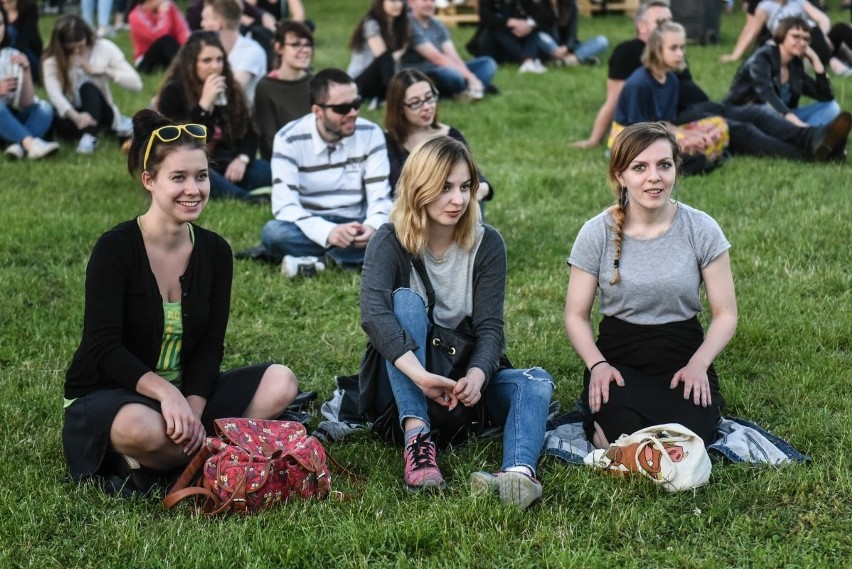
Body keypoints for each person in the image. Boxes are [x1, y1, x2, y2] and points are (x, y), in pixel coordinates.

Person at [62, 108, 299, 496]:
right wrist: (166, 394)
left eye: (202, 176)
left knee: (281, 382)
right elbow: (102, 348)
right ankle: (227, 446)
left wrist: (192, 406)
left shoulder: (216, 252)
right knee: (141, 429)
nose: (194, 189)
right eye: (179, 177)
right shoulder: (115, 248)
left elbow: (210, 345)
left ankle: (176, 455)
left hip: (186, 393)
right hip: (113, 394)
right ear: (149, 181)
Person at [359, 136, 554, 508]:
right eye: (445, 187)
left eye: (465, 187)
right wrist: (420, 376)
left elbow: (490, 328)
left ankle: (517, 474)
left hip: (460, 376)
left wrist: (478, 376)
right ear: (420, 187)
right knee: (405, 303)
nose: (458, 199)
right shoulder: (390, 239)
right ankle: (417, 438)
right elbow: (373, 315)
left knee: (536, 381)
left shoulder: (487, 243)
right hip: (403, 377)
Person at [564, 121, 737, 449]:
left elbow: (726, 312)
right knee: (623, 438)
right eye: (639, 167)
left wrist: (699, 364)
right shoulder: (596, 232)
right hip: (618, 361)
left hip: (683, 358)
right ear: (620, 175)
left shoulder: (701, 228)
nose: (654, 177)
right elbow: (575, 314)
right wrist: (597, 365)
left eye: (664, 165)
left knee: (686, 442)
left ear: (676, 169)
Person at [253, 69, 392, 271]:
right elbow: (285, 206)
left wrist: (371, 226)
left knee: (397, 228)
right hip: (309, 223)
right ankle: (350, 258)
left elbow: (379, 196)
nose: (353, 113)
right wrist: (328, 232)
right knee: (274, 233)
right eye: (343, 108)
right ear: (317, 111)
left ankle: (315, 261)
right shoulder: (289, 138)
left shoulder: (370, 133)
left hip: (357, 222)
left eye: (356, 104)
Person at [156, 31, 270, 201]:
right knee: (199, 175)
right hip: (193, 163)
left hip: (227, 161)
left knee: (267, 169)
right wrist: (204, 106)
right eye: (207, 61)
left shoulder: (230, 88)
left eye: (219, 59)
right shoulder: (173, 93)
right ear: (191, 64)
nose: (215, 66)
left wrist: (242, 159)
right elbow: (182, 142)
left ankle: (228, 187)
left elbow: (249, 133)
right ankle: (244, 198)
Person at [612, 22, 729, 175]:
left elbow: (667, 123)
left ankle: (698, 159)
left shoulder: (672, 80)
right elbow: (638, 131)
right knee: (683, 144)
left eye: (682, 47)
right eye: (673, 48)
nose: (680, 54)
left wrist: (688, 134)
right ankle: (701, 159)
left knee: (718, 124)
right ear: (657, 50)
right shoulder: (639, 84)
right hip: (635, 138)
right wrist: (683, 138)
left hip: (660, 131)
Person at [384, 69, 493, 207]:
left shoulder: (450, 134)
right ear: (399, 107)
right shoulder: (389, 140)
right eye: (415, 103)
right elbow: (399, 189)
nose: (427, 107)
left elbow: (475, 177)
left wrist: (479, 189)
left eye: (429, 98)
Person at [572, 0, 672, 148]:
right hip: (652, 126)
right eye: (661, 22)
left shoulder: (673, 52)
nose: (668, 27)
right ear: (642, 26)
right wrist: (593, 140)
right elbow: (614, 99)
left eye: (670, 21)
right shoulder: (629, 52)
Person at [43, 14, 141, 154]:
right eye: (71, 49)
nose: (77, 51)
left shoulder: (103, 48)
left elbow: (136, 84)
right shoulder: (52, 61)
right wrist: (76, 117)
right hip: (71, 114)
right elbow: (55, 95)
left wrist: (105, 71)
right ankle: (85, 133)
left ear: (87, 39)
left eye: (81, 46)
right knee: (49, 113)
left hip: (102, 112)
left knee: (87, 87)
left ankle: (89, 137)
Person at [724, 16, 842, 127]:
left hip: (783, 119)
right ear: (782, 36)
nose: (802, 43)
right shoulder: (761, 59)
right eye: (796, 37)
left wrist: (816, 61)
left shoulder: (795, 64)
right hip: (749, 116)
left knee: (831, 107)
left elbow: (825, 96)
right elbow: (768, 97)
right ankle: (806, 135)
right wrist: (798, 124)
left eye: (806, 39)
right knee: (767, 110)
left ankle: (808, 137)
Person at [720, 0, 852, 76]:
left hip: (816, 40)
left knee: (840, 28)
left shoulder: (799, 1)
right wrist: (735, 56)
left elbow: (823, 19)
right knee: (807, 30)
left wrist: (823, 37)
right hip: (795, 48)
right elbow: (751, 33)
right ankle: (834, 64)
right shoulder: (765, 7)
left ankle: (835, 57)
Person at [401, 0, 497, 100]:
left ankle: (467, 90)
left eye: (432, 1)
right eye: (425, 1)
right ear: (411, 2)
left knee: (487, 63)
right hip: (423, 73)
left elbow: (452, 55)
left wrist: (468, 74)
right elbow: (437, 58)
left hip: (442, 67)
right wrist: (470, 77)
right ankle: (474, 88)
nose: (429, 4)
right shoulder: (408, 25)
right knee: (451, 75)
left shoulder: (436, 24)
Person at [1, 2, 58, 159]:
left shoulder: (10, 55)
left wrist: (25, 72)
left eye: (0, 24)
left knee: (44, 109)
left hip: (6, 120)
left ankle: (17, 146)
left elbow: (26, 103)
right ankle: (31, 144)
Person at [253, 19, 313, 162]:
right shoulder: (266, 87)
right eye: (295, 44)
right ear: (279, 48)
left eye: (308, 45)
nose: (304, 50)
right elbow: (269, 140)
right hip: (282, 162)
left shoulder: (316, 83)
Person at [199, 0, 267, 106]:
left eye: (205, 19)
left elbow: (231, 90)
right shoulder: (206, 52)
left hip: (241, 119)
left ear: (218, 25)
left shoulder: (251, 52)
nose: (201, 24)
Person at [347, 0, 409, 104]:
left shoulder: (398, 26)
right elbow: (382, 58)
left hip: (380, 80)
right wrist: (402, 49)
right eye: (392, 1)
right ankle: (395, 97)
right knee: (385, 57)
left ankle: (389, 96)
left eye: (400, 1)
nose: (397, 4)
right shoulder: (371, 24)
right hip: (359, 82)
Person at [519, 0, 608, 67]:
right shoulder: (540, 6)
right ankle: (579, 59)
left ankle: (569, 59)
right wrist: (556, 49)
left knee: (601, 41)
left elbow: (572, 32)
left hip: (568, 46)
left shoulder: (570, 5)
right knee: (539, 36)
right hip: (550, 45)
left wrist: (566, 47)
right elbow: (541, 30)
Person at [465, 0, 545, 73]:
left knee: (532, 29)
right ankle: (528, 60)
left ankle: (528, 60)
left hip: (515, 40)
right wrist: (509, 22)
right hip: (492, 44)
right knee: (496, 29)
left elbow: (540, 14)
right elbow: (485, 17)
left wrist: (528, 25)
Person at [127, 0, 190, 73]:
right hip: (145, 60)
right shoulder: (135, 15)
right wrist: (163, 14)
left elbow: (182, 31)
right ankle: (186, 69)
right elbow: (157, 36)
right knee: (166, 40)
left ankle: (188, 66)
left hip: (167, 55)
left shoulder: (169, 7)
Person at [1, 0, 41, 83]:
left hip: (28, 49)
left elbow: (26, 36)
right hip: (5, 48)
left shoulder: (29, 8)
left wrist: (15, 54)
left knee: (11, 32)